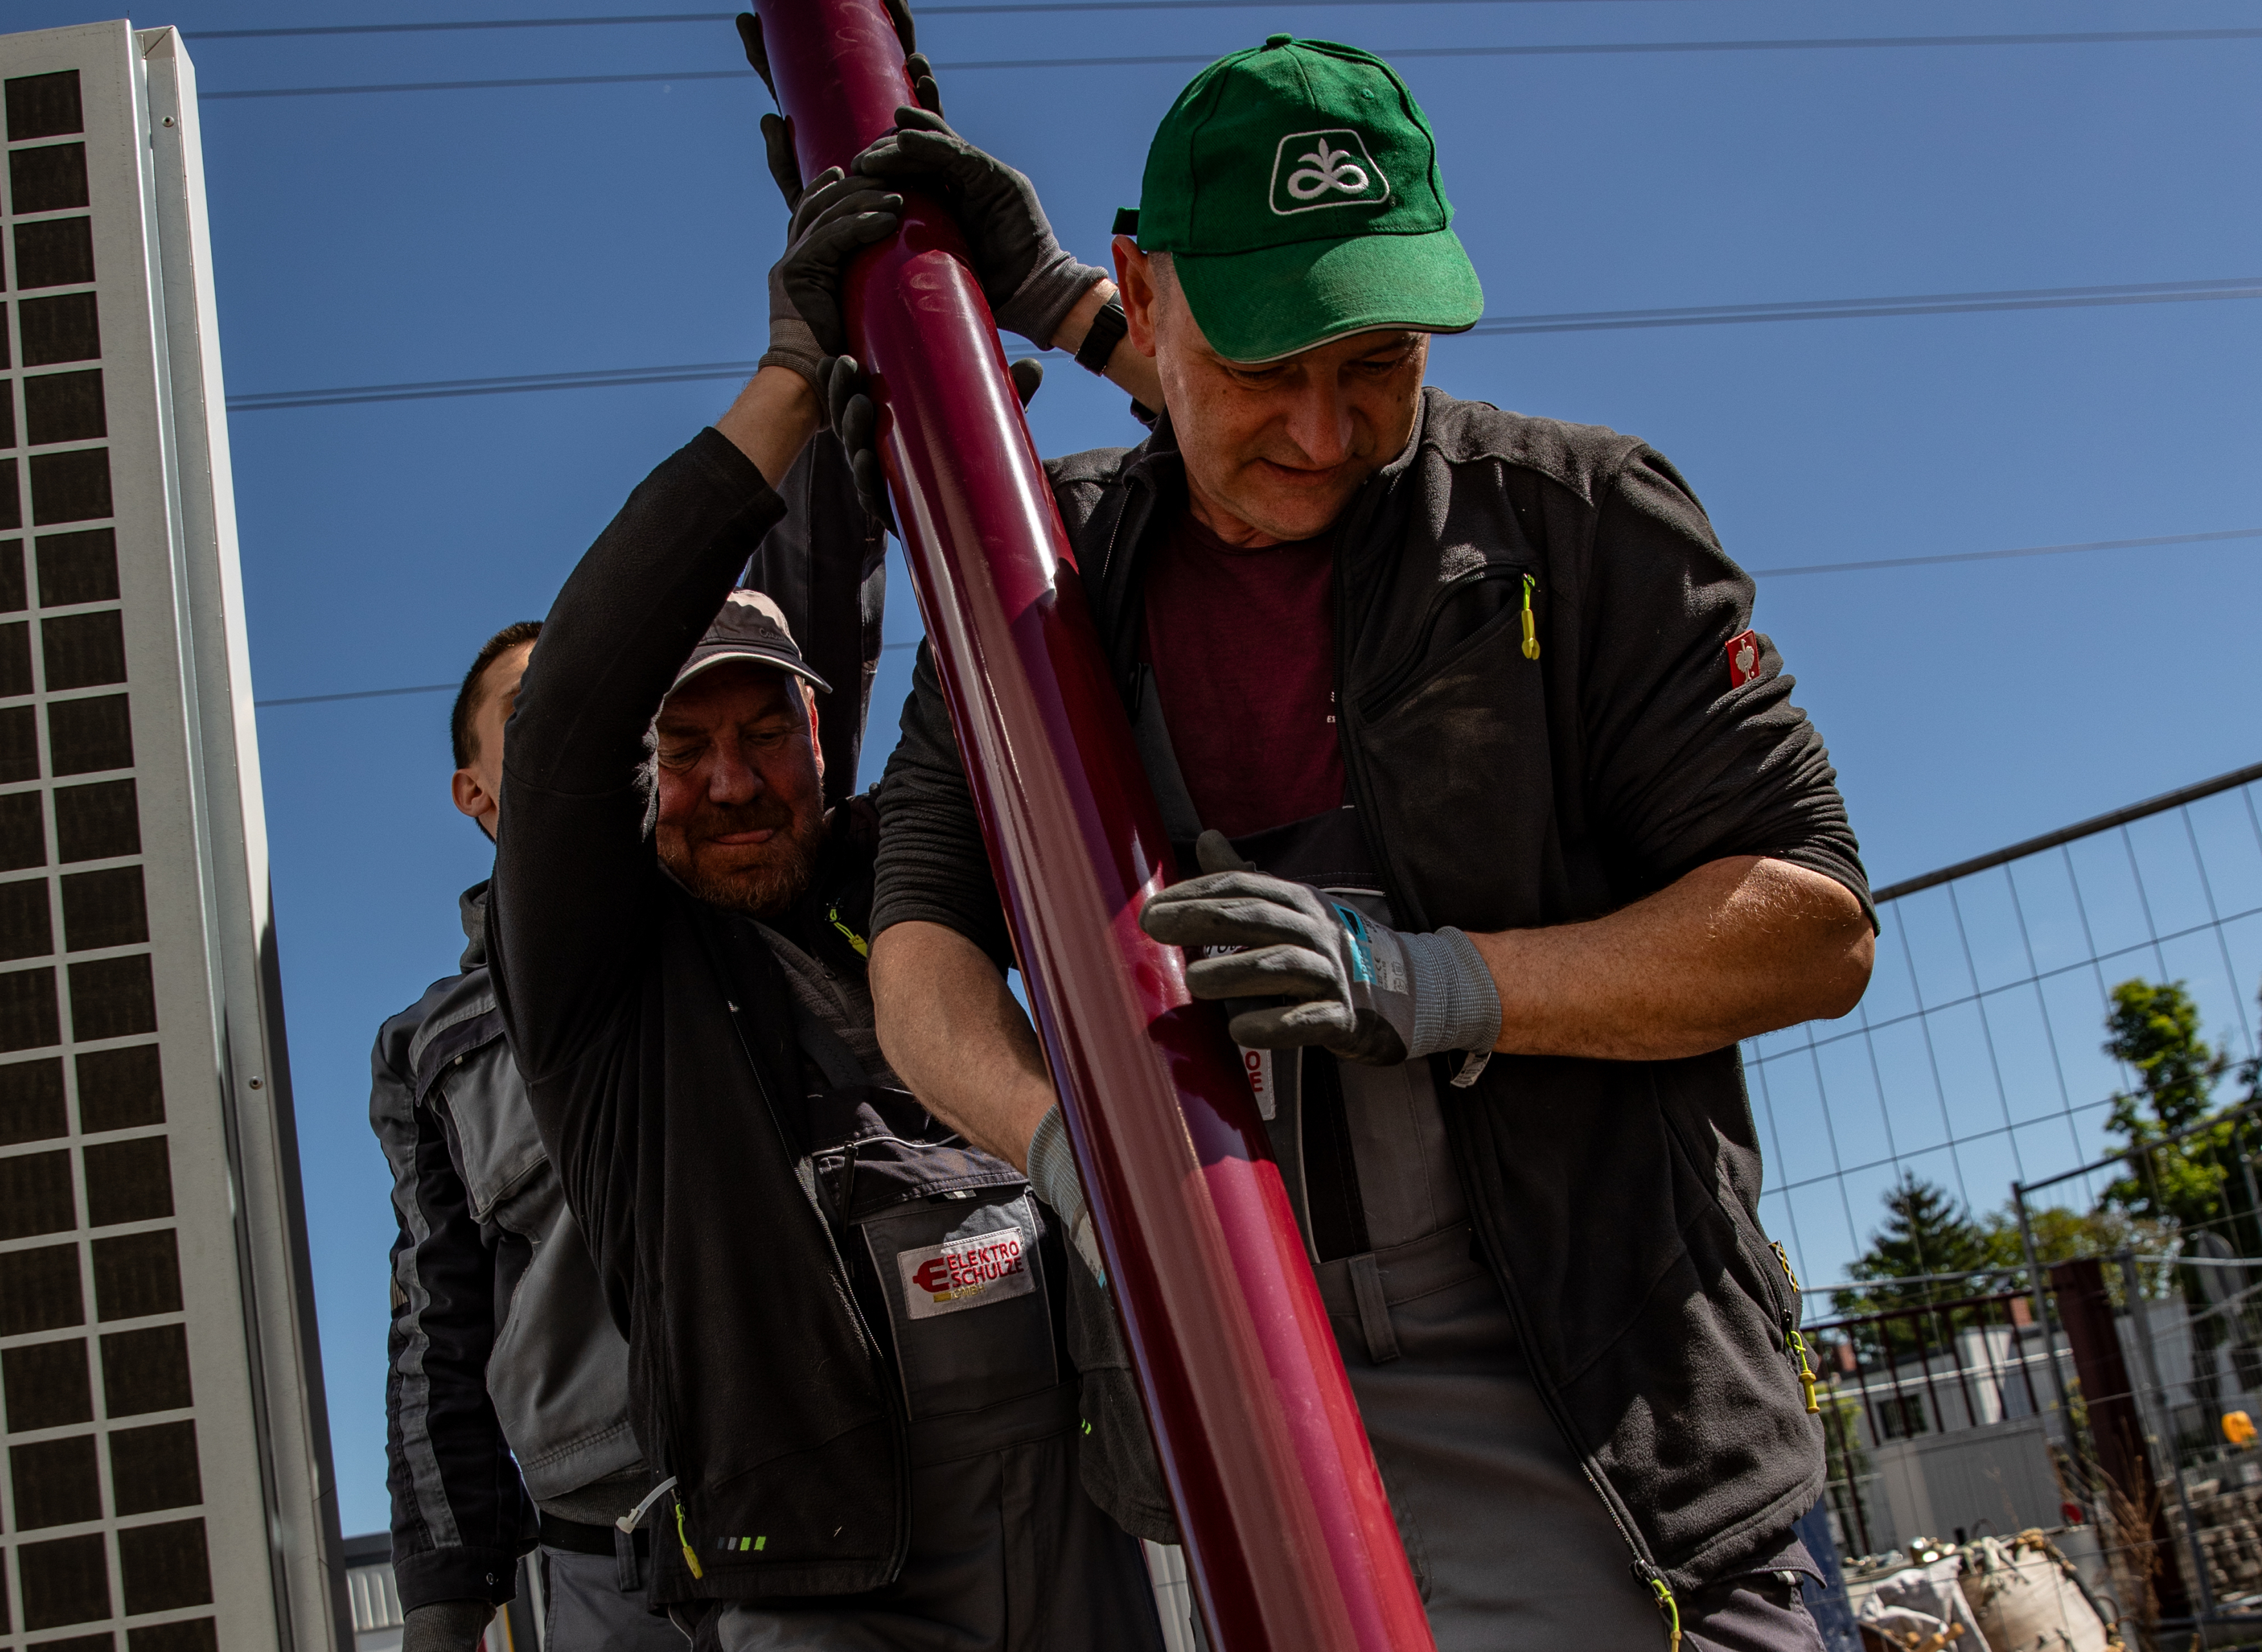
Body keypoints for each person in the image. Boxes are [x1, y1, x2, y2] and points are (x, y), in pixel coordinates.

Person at [798, 35, 1879, 1652]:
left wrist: (1435, 981)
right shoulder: (1046, 590)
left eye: (1376, 362)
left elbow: (1813, 924)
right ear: (1143, 295)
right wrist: (1070, 1154)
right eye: (1263, 367)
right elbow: (920, 954)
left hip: (1609, 1402)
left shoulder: (1574, 528)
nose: (1321, 427)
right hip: (1249, 1392)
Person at [483, 189, 1163, 1645]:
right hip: (822, 1571)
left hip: (1073, 1506)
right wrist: (793, 380)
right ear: (642, 776)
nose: (731, 783)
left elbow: (1048, 637)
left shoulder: (898, 863)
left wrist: (994, 391)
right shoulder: (605, 983)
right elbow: (557, 730)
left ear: (818, 735)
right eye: (685, 749)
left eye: (766, 735)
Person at [372, 623, 669, 1651]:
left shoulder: (740, 908)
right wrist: (445, 1603)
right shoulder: (429, 1048)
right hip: (615, 1561)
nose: (576, 718)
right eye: (529, 711)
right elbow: (434, 1330)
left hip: (831, 1494)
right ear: (475, 793)